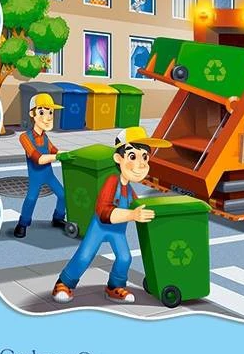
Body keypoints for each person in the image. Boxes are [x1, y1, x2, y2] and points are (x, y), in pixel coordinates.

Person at [51, 127, 172, 304]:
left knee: (125, 258)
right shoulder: (112, 182)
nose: (141, 164)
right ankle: (64, 283)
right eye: (133, 156)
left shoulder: (129, 190)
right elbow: (103, 211)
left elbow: (136, 205)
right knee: (85, 255)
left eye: (145, 157)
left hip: (118, 231)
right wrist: (132, 214)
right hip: (100, 228)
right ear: (118, 158)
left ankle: (115, 286)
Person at [14, 93, 72, 239]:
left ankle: (58, 218)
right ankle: (22, 224)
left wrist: (69, 154)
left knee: (63, 195)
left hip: (48, 174)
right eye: (42, 112)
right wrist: (58, 157)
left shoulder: (45, 137)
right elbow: (38, 159)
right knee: (31, 199)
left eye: (50, 112)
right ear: (32, 114)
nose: (48, 117)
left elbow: (54, 150)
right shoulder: (25, 137)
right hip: (36, 176)